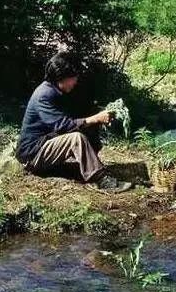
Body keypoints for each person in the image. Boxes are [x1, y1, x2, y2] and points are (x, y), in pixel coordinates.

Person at [16, 51, 128, 191]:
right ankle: (102, 181)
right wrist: (95, 118)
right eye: (73, 78)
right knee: (76, 138)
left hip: (44, 144)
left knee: (90, 124)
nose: (75, 81)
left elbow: (76, 117)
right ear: (61, 77)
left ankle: (88, 166)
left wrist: (99, 117)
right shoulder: (44, 95)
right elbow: (63, 126)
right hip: (32, 154)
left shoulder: (56, 91)